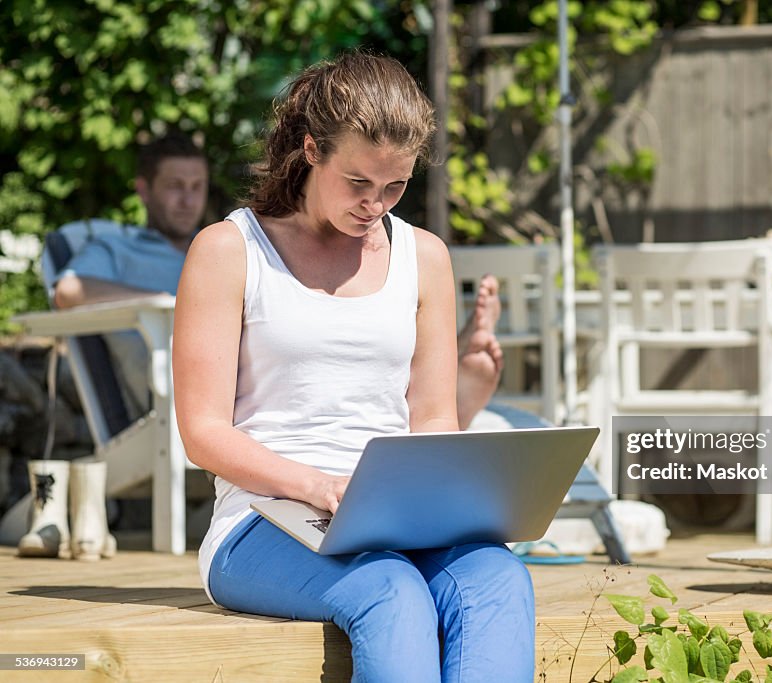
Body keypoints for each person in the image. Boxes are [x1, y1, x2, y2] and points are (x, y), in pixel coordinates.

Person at [172, 52, 535, 682]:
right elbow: (202, 433)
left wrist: (457, 496)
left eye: (394, 186)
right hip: (264, 521)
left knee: (498, 575)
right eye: (358, 182)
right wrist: (320, 486)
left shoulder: (426, 257)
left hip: (398, 518)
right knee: (389, 590)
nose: (375, 204)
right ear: (312, 150)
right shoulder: (229, 250)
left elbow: (431, 418)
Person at [53, 134, 504, 428]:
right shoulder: (120, 247)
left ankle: (445, 384)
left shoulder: (218, 246)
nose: (188, 198)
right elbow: (69, 291)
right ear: (144, 190)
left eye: (196, 186)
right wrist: (175, 301)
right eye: (175, 186)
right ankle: (451, 406)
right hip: (179, 369)